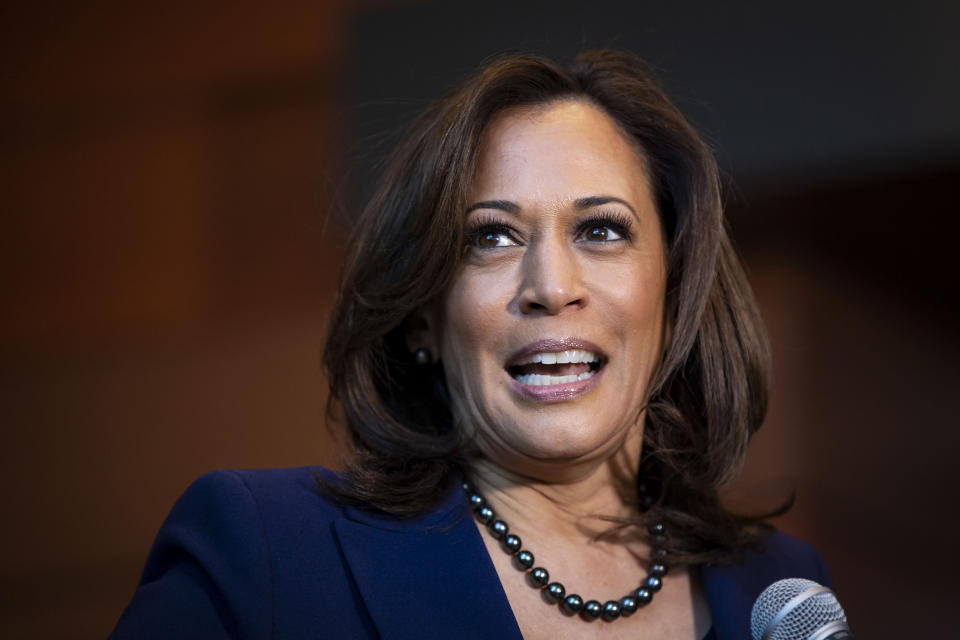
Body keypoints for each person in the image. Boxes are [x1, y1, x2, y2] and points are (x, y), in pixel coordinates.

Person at [111, 50, 831, 640]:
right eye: (491, 237)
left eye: (601, 230)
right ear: (423, 316)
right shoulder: (266, 554)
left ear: (673, 295)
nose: (551, 285)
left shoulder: (782, 594)